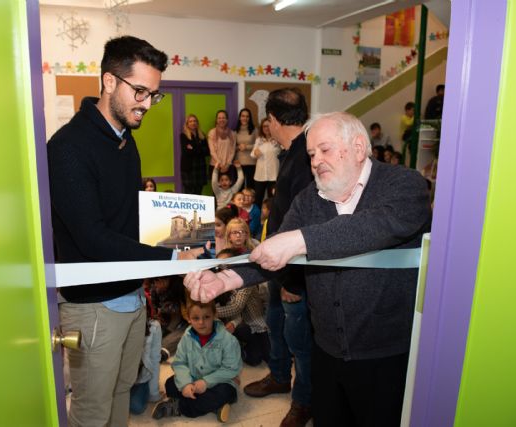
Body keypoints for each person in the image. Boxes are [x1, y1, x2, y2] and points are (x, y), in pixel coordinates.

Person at [185, 111, 432, 427]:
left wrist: (298, 240)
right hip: (326, 351)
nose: (315, 162)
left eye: (325, 150)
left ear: (358, 148)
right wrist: (223, 280)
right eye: (312, 154)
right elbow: (274, 252)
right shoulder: (308, 200)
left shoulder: (404, 185)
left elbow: (372, 227)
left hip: (387, 353)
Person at [47, 35, 201, 427]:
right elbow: (93, 238)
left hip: (131, 295)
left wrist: (184, 235)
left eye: (155, 95)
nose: (148, 104)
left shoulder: (124, 142)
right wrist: (171, 257)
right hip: (94, 305)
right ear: (109, 81)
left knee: (121, 391)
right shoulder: (68, 148)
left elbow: (131, 217)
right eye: (141, 91)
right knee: (92, 409)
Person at [240, 88, 317, 427]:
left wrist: (293, 281)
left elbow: (308, 225)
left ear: (271, 120)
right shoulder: (293, 151)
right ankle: (277, 375)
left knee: (300, 340)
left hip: (294, 272)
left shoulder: (306, 157)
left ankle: (303, 403)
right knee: (275, 325)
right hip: (278, 266)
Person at [152, 299, 241, 423]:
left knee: (226, 392)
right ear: (188, 319)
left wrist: (206, 382)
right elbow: (179, 362)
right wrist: (185, 384)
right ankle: (215, 407)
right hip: (193, 379)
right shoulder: (186, 338)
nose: (201, 322)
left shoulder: (228, 340)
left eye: (206, 317)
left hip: (219, 382)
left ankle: (180, 407)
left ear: (214, 316)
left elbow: (231, 368)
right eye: (196, 318)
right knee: (170, 385)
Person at [215, 248, 270, 367]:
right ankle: (240, 347)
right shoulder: (222, 283)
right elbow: (233, 310)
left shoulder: (245, 281)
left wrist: (212, 313)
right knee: (254, 360)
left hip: (259, 326)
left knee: (268, 357)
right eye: (220, 265)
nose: (223, 268)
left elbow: (236, 307)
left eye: (227, 264)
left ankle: (242, 348)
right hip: (243, 326)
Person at [251, 117, 281, 205]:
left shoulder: (278, 139)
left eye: (268, 126)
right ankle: (257, 217)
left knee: (272, 200)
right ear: (262, 128)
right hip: (260, 175)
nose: (266, 128)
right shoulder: (259, 140)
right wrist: (255, 152)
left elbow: (284, 150)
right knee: (258, 199)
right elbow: (252, 154)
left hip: (273, 175)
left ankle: (270, 219)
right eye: (264, 126)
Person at [180, 114, 209, 195]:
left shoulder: (202, 135)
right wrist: (199, 149)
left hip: (200, 168)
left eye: (195, 121)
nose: (193, 123)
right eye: (190, 121)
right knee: (190, 195)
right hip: (189, 170)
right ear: (187, 124)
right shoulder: (184, 135)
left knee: (199, 193)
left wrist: (193, 148)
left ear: (197, 123)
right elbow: (186, 152)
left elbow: (207, 152)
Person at [208, 110, 237, 182]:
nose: (221, 120)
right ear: (216, 120)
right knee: (216, 191)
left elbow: (232, 151)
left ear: (227, 120)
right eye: (219, 118)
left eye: (223, 118)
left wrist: (227, 165)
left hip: (228, 166)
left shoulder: (232, 133)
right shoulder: (212, 132)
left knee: (228, 191)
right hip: (215, 166)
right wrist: (220, 164)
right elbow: (212, 152)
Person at [234, 108, 257, 189]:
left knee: (251, 187)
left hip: (252, 163)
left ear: (249, 118)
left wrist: (246, 147)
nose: (245, 118)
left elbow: (258, 145)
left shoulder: (254, 130)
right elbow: (232, 147)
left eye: (247, 116)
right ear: (240, 117)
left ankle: (251, 202)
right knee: (239, 187)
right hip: (239, 163)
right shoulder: (235, 131)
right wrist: (238, 147)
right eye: (243, 116)